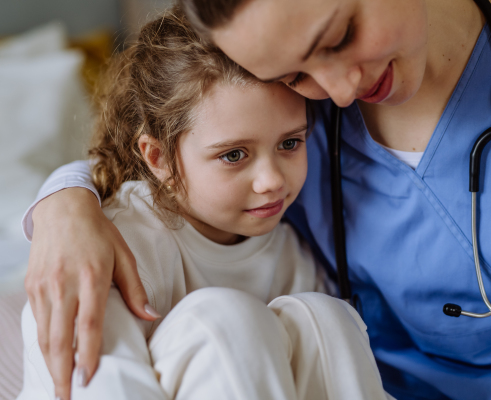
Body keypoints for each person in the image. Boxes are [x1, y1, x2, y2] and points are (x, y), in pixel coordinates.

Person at [22, 0, 491, 398]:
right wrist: (66, 200)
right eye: (295, 74)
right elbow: (186, 151)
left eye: (340, 36)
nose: (342, 91)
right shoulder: (290, 122)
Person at [18, 9, 393, 400]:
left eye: (289, 143)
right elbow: (101, 382)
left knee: (327, 317)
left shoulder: (289, 254)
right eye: (233, 155)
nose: (273, 181)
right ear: (158, 158)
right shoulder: (123, 240)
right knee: (227, 319)